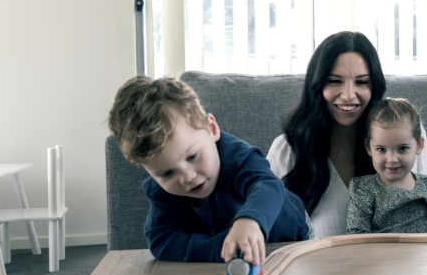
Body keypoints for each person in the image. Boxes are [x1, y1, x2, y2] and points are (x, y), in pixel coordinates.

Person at [108, 76, 310, 265]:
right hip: (237, 256)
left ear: (211, 129)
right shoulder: (161, 191)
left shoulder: (239, 158)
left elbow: (268, 186)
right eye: (167, 173)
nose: (187, 177)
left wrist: (249, 221)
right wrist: (224, 248)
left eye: (192, 156)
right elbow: (162, 240)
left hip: (293, 237)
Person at [267, 31, 427, 237]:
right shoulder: (288, 149)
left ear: (374, 86)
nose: (348, 95)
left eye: (361, 82)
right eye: (335, 81)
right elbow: (267, 226)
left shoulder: (405, 135)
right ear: (318, 84)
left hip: (400, 267)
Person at [347, 98, 427, 234]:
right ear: (368, 147)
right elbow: (357, 235)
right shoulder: (364, 190)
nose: (392, 159)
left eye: (402, 148)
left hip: (422, 253)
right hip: (379, 254)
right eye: (381, 149)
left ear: (419, 145)